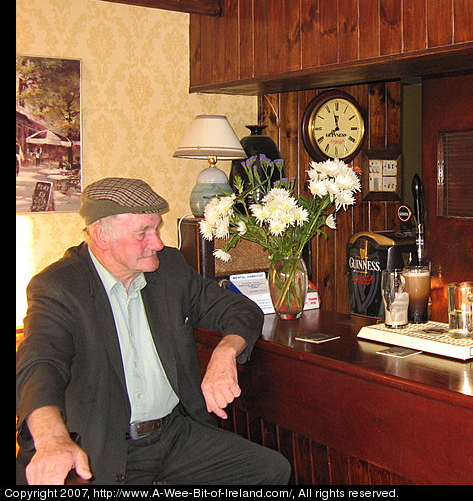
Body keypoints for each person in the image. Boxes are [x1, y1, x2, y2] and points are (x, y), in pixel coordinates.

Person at [16, 177, 291, 485]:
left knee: (269, 469)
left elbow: (241, 310)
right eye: (142, 233)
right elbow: (40, 365)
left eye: (156, 228)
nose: (157, 243)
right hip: (103, 444)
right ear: (101, 236)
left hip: (172, 434)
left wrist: (226, 351)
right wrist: (53, 440)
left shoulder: (168, 268)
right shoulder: (60, 287)